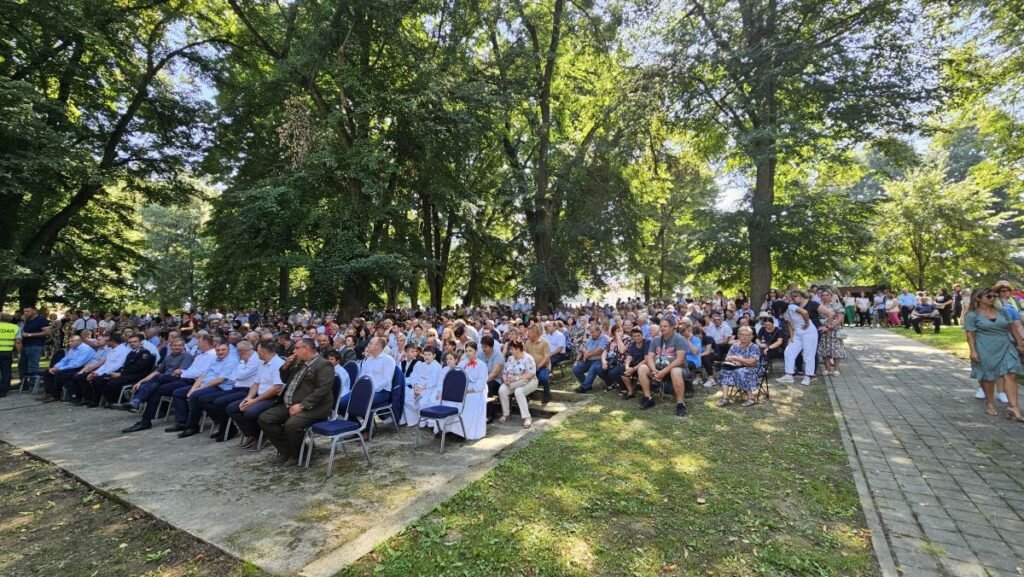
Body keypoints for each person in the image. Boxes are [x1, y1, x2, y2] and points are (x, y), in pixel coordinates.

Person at [258, 337, 335, 466]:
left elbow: (322, 390)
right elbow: (285, 379)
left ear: (306, 349)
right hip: (290, 404)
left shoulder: (324, 365)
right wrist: (285, 366)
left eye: (297, 348)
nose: (294, 351)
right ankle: (287, 450)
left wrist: (302, 405)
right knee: (265, 418)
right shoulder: (298, 362)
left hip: (314, 407)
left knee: (292, 424)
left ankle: (298, 454)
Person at [963, 288, 1024, 420]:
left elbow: (1012, 327)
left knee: (1011, 374)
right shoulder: (972, 315)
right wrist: (973, 351)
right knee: (988, 377)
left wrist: (1020, 343)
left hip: (1006, 344)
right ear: (978, 298)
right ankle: (990, 403)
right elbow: (970, 335)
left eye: (994, 296)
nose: (993, 298)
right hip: (985, 347)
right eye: (989, 296)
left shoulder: (1002, 311)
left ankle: (1013, 407)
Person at [170, 341, 238, 438]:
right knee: (178, 393)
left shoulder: (232, 361)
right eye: (218, 350)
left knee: (196, 396)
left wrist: (199, 389)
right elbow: (202, 375)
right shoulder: (215, 359)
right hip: (206, 385)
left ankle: (193, 426)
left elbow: (220, 380)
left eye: (223, 350)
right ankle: (181, 422)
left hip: (220, 387)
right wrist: (193, 388)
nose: (220, 352)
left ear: (229, 350)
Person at [226, 341, 285, 449]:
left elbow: (277, 388)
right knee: (233, 408)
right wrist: (248, 398)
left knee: (250, 412)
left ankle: (262, 436)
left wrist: (254, 401)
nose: (255, 352)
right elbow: (256, 383)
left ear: (263, 351)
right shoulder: (263, 363)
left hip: (274, 398)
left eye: (257, 350)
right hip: (260, 396)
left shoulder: (278, 364)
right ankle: (251, 434)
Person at [201, 340, 260, 441]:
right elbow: (233, 376)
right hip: (236, 388)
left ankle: (229, 430)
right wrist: (241, 367)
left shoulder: (255, 360)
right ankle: (224, 427)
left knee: (220, 402)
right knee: (206, 399)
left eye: (240, 352)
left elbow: (240, 375)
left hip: (247, 390)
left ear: (243, 351)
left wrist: (241, 367)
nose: (239, 355)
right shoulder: (243, 359)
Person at [637, 318, 689, 417]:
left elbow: (680, 360)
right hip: (658, 370)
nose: (662, 328)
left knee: (675, 371)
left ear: (672, 327)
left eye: (665, 326)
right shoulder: (656, 340)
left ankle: (680, 404)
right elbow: (650, 357)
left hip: (677, 369)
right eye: (661, 326)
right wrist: (654, 371)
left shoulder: (679, 339)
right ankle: (648, 398)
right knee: (642, 368)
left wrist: (663, 372)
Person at [778, 291, 818, 386]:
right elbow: (789, 324)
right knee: (789, 352)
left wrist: (807, 323)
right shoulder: (784, 313)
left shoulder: (791, 307)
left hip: (808, 332)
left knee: (808, 354)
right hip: (797, 333)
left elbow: (805, 312)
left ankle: (808, 376)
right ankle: (789, 375)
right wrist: (792, 336)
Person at [448, 341, 487, 440]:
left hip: (475, 391)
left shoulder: (481, 365)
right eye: (466, 351)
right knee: (452, 401)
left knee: (469, 401)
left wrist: (467, 390)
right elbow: (457, 375)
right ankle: (454, 430)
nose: (468, 353)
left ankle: (467, 432)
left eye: (471, 351)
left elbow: (480, 385)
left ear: (476, 352)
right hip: (463, 388)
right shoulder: (463, 363)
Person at [716, 326, 762, 407]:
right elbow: (727, 358)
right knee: (724, 371)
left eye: (747, 335)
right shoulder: (735, 345)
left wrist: (737, 359)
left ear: (751, 337)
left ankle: (751, 398)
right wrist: (734, 361)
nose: (744, 337)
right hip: (736, 367)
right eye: (742, 334)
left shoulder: (754, 347)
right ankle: (725, 398)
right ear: (738, 336)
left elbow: (752, 362)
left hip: (753, 368)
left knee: (741, 371)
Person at [499, 340, 538, 428]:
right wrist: (505, 379)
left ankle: (527, 417)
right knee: (502, 390)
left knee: (518, 392)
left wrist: (516, 378)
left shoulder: (528, 358)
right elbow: (504, 372)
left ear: (518, 349)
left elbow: (531, 374)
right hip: (512, 382)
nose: (510, 351)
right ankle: (506, 414)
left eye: (512, 349)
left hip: (529, 381)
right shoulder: (510, 358)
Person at [403, 347, 442, 428]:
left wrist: (421, 389)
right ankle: (413, 420)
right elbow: (414, 376)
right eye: (425, 355)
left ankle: (425, 421)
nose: (427, 357)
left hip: (430, 389)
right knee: (406, 397)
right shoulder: (421, 365)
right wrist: (415, 386)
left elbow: (433, 381)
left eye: (429, 355)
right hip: (418, 387)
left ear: (434, 355)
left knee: (423, 401)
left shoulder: (436, 366)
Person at [18, 306, 51, 393]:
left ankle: (33, 385)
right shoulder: (26, 320)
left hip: (36, 345)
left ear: (34, 311)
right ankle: (24, 384)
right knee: (22, 365)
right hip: (25, 345)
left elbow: (47, 332)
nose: (25, 313)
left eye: (27, 311)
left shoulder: (41, 319)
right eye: (24, 311)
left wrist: (30, 335)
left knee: (33, 366)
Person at [817, 289, 847, 376]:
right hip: (822, 330)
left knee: (836, 350)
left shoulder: (836, 305)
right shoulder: (819, 305)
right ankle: (827, 368)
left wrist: (829, 326)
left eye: (827, 295)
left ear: (831, 296)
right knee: (824, 350)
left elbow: (840, 318)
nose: (825, 297)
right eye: (823, 295)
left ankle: (836, 369)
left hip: (834, 330)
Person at [572, 324, 607, 393]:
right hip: (587, 359)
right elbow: (583, 347)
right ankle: (586, 384)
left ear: (598, 331)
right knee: (576, 369)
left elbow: (600, 350)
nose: (591, 334)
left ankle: (584, 387)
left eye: (593, 332)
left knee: (593, 369)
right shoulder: (591, 338)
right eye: (590, 332)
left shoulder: (603, 338)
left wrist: (589, 354)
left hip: (597, 360)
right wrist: (585, 352)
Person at [618, 327, 650, 399]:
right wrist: (627, 367)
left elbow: (647, 359)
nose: (637, 338)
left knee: (641, 368)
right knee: (621, 369)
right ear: (632, 337)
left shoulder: (647, 342)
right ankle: (630, 391)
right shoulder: (632, 344)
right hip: (635, 364)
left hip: (645, 365)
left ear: (642, 335)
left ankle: (646, 395)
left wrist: (634, 369)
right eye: (634, 336)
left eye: (638, 335)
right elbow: (629, 357)